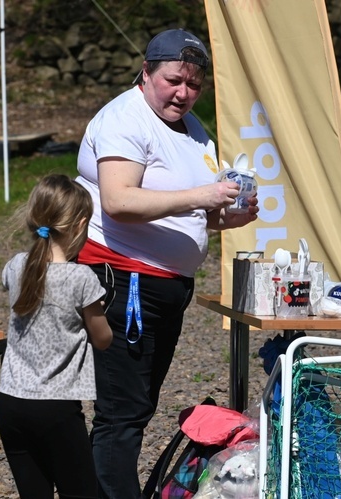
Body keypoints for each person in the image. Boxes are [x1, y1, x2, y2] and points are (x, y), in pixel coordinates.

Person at [75, 28, 259, 498]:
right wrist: (205, 195)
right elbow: (118, 200)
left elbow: (184, 209)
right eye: (174, 80)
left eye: (194, 85)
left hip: (166, 285)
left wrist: (223, 217)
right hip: (122, 279)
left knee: (138, 406)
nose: (183, 93)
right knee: (122, 411)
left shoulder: (192, 128)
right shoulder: (125, 117)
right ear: (147, 72)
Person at [0, 174, 113, 499]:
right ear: (80, 225)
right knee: (81, 492)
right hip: (56, 408)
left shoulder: (17, 265)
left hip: (10, 402)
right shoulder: (82, 278)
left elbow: (17, 282)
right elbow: (102, 339)